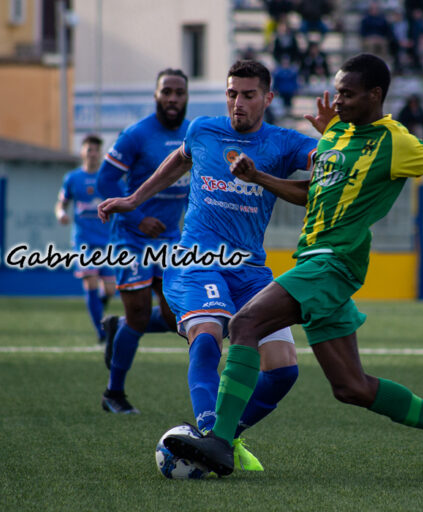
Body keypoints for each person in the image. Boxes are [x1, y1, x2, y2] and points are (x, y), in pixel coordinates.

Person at [162, 53, 423, 478]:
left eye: (347, 93)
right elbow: (311, 192)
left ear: (374, 95)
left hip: (333, 263)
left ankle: (219, 440)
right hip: (316, 261)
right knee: (352, 387)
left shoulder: (396, 141)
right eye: (337, 90)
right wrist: (259, 177)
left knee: (245, 324)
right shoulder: (337, 135)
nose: (337, 99)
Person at [98, 60, 325, 471]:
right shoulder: (203, 129)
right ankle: (208, 432)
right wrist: (134, 200)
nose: (238, 102)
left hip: (251, 269)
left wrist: (332, 137)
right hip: (197, 260)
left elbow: (326, 173)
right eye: (232, 93)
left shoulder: (284, 142)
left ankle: (220, 438)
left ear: (268, 98)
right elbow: (180, 160)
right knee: (208, 336)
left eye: (249, 95)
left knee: (284, 371)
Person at [96, 69, 190, 414]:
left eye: (179, 92)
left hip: (170, 240)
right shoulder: (136, 135)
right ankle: (113, 394)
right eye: (167, 91)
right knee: (137, 316)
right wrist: (136, 217)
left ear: (186, 96)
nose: (173, 98)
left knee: (173, 317)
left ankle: (116, 328)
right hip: (131, 238)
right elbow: (105, 181)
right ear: (156, 95)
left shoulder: (193, 134)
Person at [55, 134, 116, 343]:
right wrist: (61, 214)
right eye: (89, 149)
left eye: (96, 150)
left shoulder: (107, 178)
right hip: (83, 241)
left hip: (106, 241)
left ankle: (98, 311)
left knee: (109, 289)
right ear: (82, 152)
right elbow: (61, 203)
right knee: (90, 281)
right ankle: (102, 333)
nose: (93, 153)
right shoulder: (72, 178)